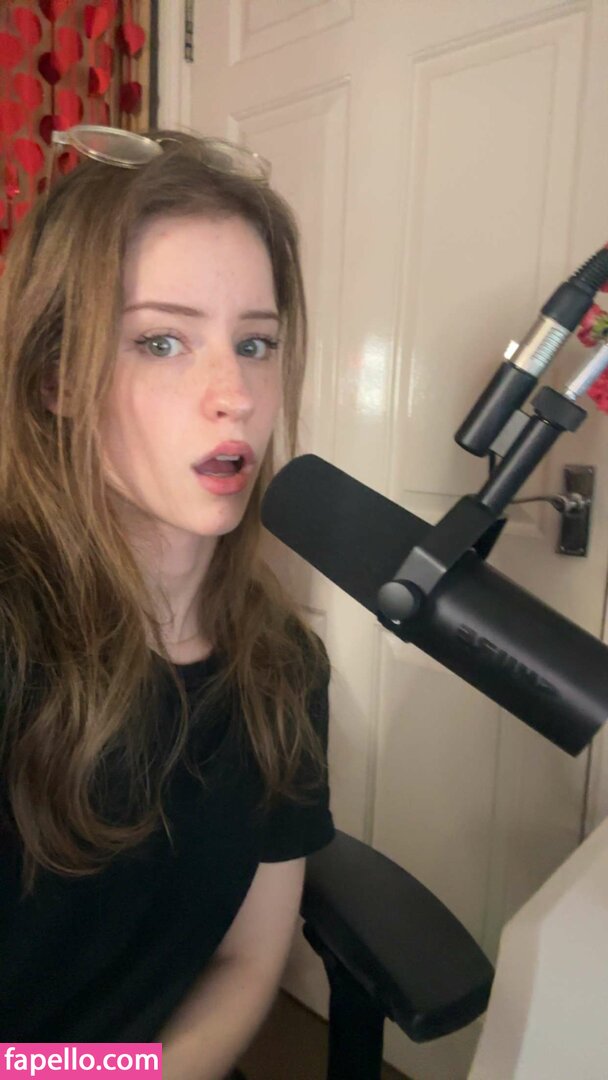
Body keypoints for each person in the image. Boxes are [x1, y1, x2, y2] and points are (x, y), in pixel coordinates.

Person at [0, 126, 335, 1080]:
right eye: (161, 341)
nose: (236, 396)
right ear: (59, 379)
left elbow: (248, 959)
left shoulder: (282, 667)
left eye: (255, 343)